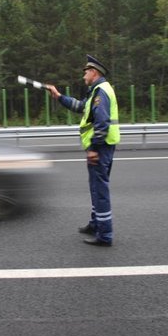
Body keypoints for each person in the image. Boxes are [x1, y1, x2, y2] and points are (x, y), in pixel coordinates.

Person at [47, 55, 120, 247]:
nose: (83, 75)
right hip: (102, 147)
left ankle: (105, 235)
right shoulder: (96, 91)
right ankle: (96, 224)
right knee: (96, 188)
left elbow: (102, 122)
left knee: (100, 190)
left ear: (94, 72)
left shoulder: (101, 92)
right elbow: (80, 106)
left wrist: (94, 148)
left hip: (100, 147)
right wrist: (59, 97)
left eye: (86, 71)